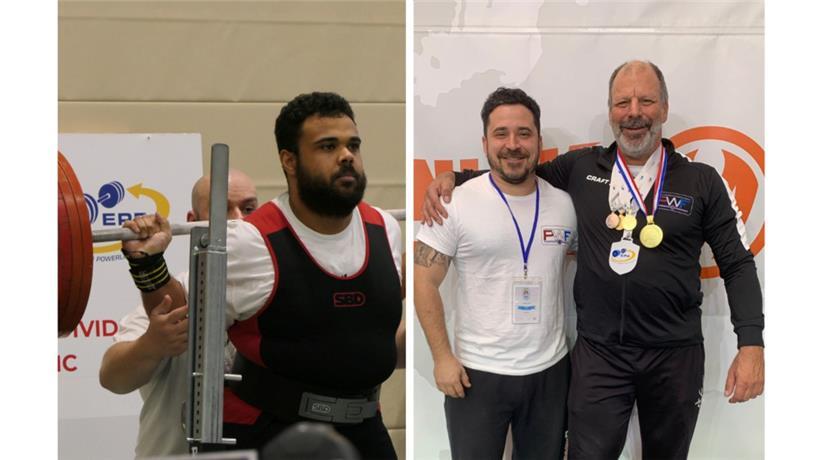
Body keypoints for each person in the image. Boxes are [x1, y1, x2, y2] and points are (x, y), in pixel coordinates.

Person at [422, 60, 764, 459]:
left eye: (646, 100)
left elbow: (737, 264)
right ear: (610, 111)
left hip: (675, 356)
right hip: (600, 357)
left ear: (665, 110)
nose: (634, 112)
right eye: (623, 102)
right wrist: (455, 180)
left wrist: (751, 344)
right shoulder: (581, 168)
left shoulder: (702, 181)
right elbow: (517, 171)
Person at [118, 91, 404, 459]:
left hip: (365, 430)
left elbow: (372, 335)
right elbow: (183, 323)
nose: (346, 156)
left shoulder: (384, 228)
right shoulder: (249, 241)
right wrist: (149, 267)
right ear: (289, 160)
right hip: (270, 434)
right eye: (328, 146)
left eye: (353, 145)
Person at [415, 88, 576, 459]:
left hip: (549, 372)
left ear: (538, 139)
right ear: (485, 142)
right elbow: (424, 279)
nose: (513, 144)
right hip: (476, 374)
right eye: (501, 134)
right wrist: (442, 357)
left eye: (524, 133)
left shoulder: (564, 205)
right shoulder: (455, 203)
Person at [98, 170, 259, 458]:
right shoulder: (176, 291)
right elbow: (112, 377)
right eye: (223, 210)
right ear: (193, 220)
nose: (238, 221)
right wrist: (151, 345)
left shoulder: (278, 290)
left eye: (248, 209)